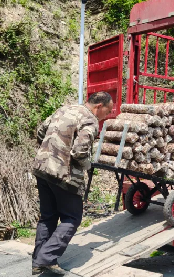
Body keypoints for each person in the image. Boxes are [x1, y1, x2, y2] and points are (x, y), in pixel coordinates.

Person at [31, 92, 114, 276]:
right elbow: (79, 151)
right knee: (72, 218)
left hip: (41, 166)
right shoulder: (90, 120)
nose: (106, 116)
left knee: (48, 216)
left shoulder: (64, 108)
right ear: (99, 106)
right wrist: (88, 166)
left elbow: (40, 132)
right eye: (107, 112)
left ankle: (39, 263)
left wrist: (50, 150)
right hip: (63, 173)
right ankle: (45, 258)